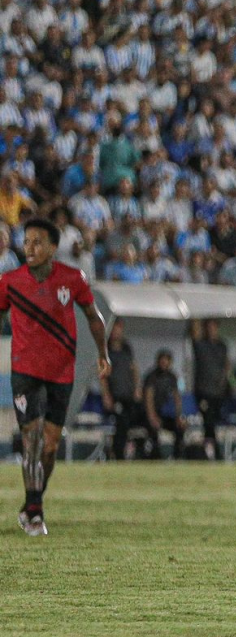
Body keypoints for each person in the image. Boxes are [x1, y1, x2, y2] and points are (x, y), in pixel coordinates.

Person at [0, 219, 111, 536]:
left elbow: (94, 316)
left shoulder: (72, 278)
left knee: (50, 447)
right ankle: (35, 513)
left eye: (37, 242)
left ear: (52, 247)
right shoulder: (9, 281)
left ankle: (31, 501)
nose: (29, 248)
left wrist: (103, 353)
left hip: (62, 372)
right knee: (31, 439)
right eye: (26, 242)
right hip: (25, 372)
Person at [101, 320, 143, 460]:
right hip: (116, 395)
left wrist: (137, 388)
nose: (116, 332)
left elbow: (134, 369)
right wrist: (106, 394)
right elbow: (102, 375)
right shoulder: (106, 350)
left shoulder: (127, 348)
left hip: (129, 394)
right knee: (122, 422)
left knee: (137, 420)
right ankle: (118, 454)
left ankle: (138, 452)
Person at [191, 318, 229, 460]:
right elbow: (194, 333)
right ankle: (212, 451)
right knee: (208, 419)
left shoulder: (222, 346)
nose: (211, 330)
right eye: (209, 327)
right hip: (203, 392)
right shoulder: (201, 344)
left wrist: (223, 382)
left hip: (217, 393)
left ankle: (211, 448)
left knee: (212, 418)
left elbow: (226, 365)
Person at [142, 349, 185, 459]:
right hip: (148, 413)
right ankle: (155, 456)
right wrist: (152, 417)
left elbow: (177, 398)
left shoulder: (172, 377)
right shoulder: (151, 376)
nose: (164, 363)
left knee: (179, 428)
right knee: (153, 429)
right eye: (162, 360)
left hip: (162, 413)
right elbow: (148, 398)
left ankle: (177, 457)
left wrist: (179, 416)